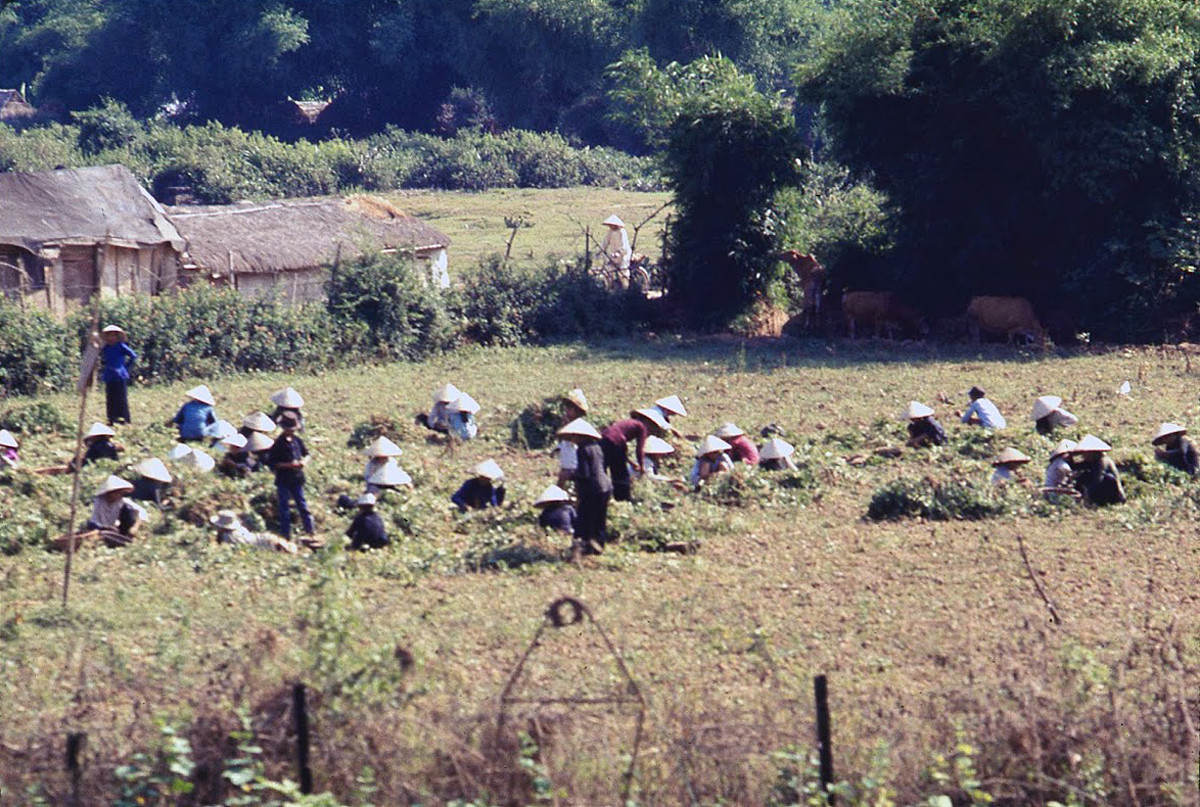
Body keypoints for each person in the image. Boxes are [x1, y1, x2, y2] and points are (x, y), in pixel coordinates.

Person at [559, 418, 612, 556]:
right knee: (599, 520)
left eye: (573, 436)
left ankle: (582, 548)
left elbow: (585, 474)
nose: (572, 439)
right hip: (605, 486)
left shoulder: (582, 449)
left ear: (579, 436)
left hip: (593, 488)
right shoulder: (597, 447)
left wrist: (569, 475)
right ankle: (597, 547)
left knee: (584, 518)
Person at [600, 408, 669, 501]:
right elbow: (639, 449)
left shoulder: (631, 422)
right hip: (616, 442)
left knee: (602, 468)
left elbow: (620, 451)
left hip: (604, 440)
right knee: (620, 474)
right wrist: (641, 466)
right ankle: (622, 498)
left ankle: (602, 494)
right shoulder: (642, 427)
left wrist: (632, 463)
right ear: (649, 422)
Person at [267, 412, 314, 539]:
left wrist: (303, 462)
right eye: (289, 429)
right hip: (283, 479)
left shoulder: (297, 441)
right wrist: (288, 465)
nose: (291, 432)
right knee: (284, 508)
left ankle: (310, 531)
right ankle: (285, 534)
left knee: (302, 505)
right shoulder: (278, 444)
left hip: (297, 478)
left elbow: (307, 454)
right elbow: (272, 463)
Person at [85, 475, 147, 542]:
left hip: (114, 530)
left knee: (128, 510)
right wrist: (105, 528)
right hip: (98, 528)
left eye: (117, 493)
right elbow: (94, 520)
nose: (114, 495)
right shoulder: (99, 501)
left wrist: (135, 527)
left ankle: (125, 536)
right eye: (112, 493)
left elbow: (142, 512)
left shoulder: (122, 501)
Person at [1072, 435, 1125, 505]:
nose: (1083, 455)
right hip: (1100, 488)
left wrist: (1087, 497)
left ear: (1092, 452)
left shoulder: (1102, 461)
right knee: (1083, 476)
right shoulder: (1093, 461)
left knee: (1108, 478)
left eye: (1085, 453)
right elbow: (1078, 466)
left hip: (1113, 493)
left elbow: (1097, 480)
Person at [210, 510, 298, 553]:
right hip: (263, 537)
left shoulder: (229, 537)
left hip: (264, 543)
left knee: (283, 548)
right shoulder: (240, 529)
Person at [99, 324, 136, 425]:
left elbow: (133, 356)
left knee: (121, 398)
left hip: (120, 376)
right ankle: (111, 419)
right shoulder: (105, 348)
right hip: (109, 375)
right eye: (109, 336)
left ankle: (124, 419)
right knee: (110, 398)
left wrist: (125, 367)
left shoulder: (120, 346)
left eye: (114, 336)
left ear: (117, 337)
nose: (112, 338)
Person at [556, 388, 590, 485]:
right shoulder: (566, 425)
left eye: (569, 408)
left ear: (576, 410)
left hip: (575, 468)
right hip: (566, 466)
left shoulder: (581, 427)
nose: (566, 411)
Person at [599, 214, 632, 286]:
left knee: (623, 273)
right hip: (614, 256)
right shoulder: (610, 233)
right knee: (609, 270)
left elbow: (624, 245)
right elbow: (605, 242)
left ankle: (626, 288)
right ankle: (610, 287)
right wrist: (600, 250)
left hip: (623, 256)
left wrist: (619, 253)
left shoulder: (622, 232)